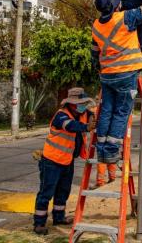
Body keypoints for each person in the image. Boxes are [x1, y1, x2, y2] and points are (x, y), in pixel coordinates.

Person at [91, 0, 142, 164]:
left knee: (106, 111)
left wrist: (100, 69)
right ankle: (111, 152)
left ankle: (102, 150)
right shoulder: (124, 18)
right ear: (115, 6)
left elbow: (94, 53)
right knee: (121, 112)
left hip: (107, 76)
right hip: (126, 73)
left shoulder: (96, 26)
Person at [33, 87, 96, 235]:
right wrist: (86, 126)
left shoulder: (80, 113)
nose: (82, 106)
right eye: (80, 103)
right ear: (72, 103)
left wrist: (91, 115)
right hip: (52, 160)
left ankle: (59, 218)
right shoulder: (61, 116)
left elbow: (90, 113)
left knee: (63, 192)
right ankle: (39, 223)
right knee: (46, 193)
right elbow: (70, 126)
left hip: (67, 161)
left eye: (83, 103)